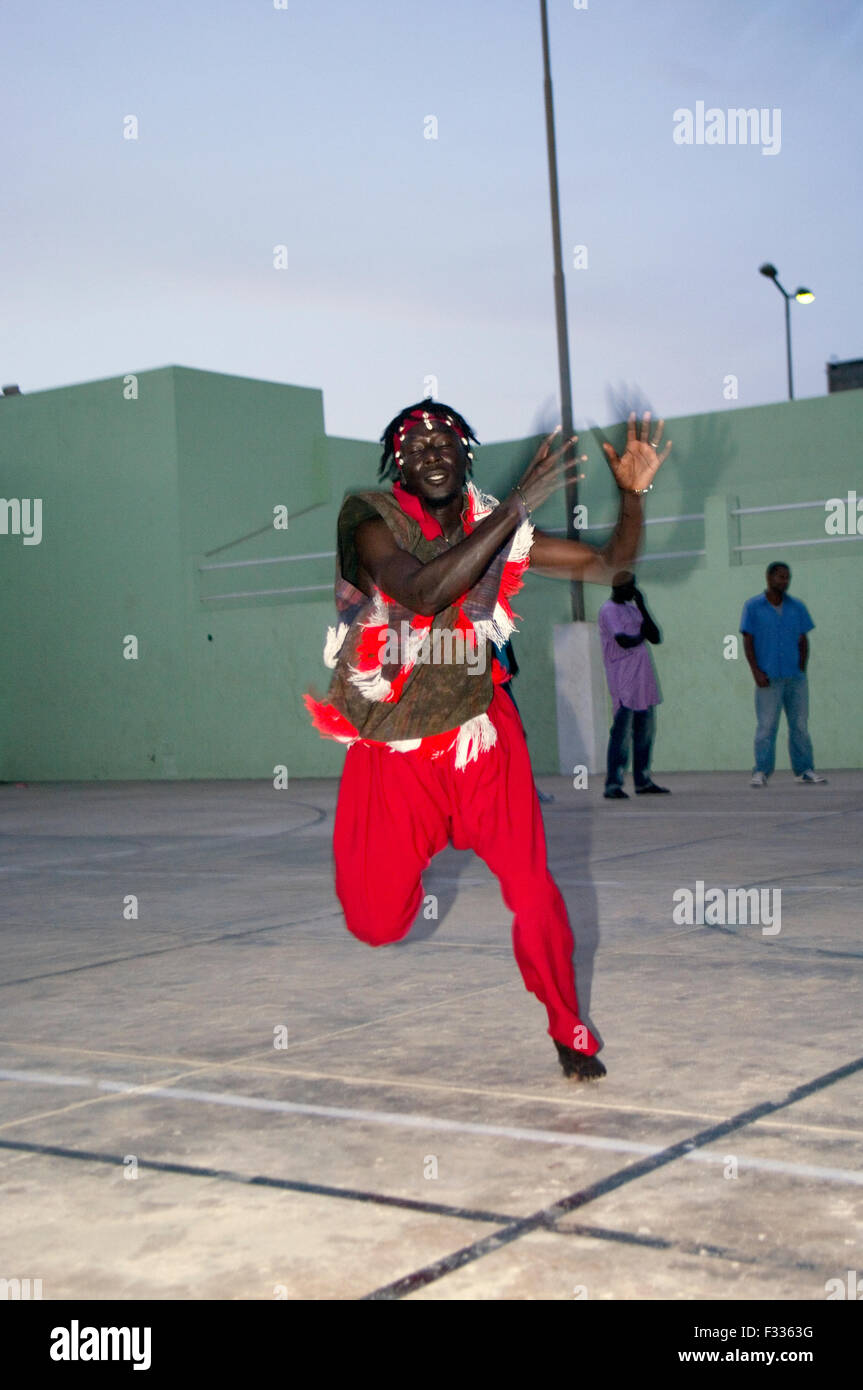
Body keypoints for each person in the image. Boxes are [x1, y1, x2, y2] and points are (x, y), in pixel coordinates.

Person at [304, 400, 670, 1081]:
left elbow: (611, 563)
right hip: (395, 748)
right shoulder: (369, 520)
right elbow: (419, 591)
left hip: (480, 735)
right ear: (398, 466)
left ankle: (568, 1028)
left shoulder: (498, 528)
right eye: (416, 445)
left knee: (532, 890)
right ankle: (400, 875)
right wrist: (516, 509)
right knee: (375, 922)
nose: (433, 450)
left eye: (446, 439)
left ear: (466, 455)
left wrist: (631, 496)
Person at [740, 561, 826, 787]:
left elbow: (803, 639)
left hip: (795, 678)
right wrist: (756, 672)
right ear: (769, 578)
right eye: (780, 577)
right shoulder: (753, 607)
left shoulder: (797, 607)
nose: (784, 581)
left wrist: (801, 669)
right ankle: (761, 771)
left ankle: (804, 770)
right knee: (767, 726)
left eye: (787, 577)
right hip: (768, 677)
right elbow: (748, 641)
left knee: (799, 725)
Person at [598, 572, 668, 799]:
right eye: (630, 587)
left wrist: (642, 605)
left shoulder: (633, 608)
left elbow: (656, 636)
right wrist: (641, 636)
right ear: (618, 588)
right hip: (623, 683)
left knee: (644, 734)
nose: (634, 590)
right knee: (621, 734)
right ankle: (613, 784)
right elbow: (623, 640)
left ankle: (643, 781)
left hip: (643, 683)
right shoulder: (609, 609)